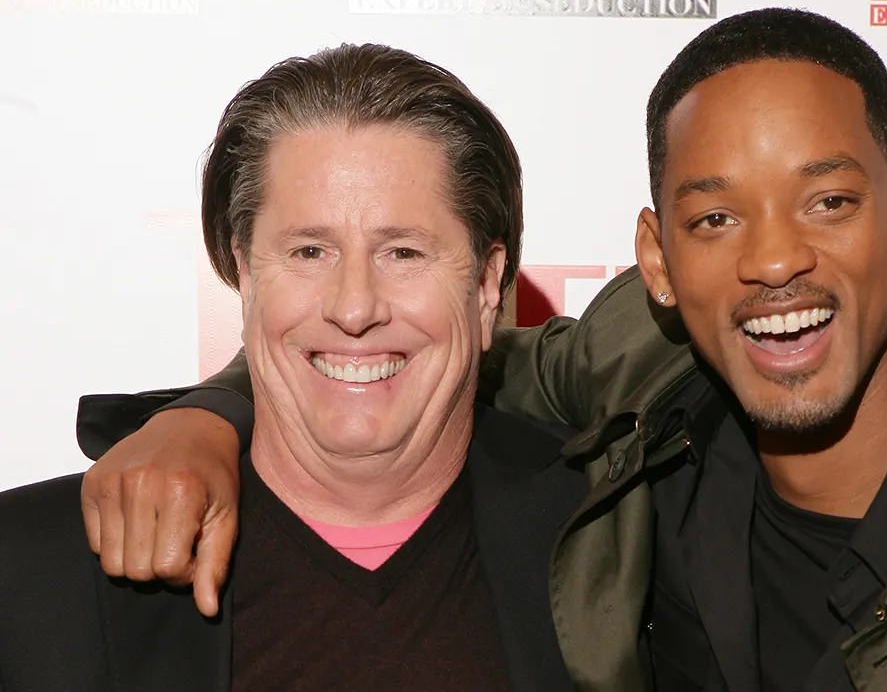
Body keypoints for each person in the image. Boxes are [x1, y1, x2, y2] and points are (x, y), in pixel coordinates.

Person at [72, 9, 887, 691]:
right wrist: (205, 418)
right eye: (713, 220)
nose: (772, 261)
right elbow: (393, 352)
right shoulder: (641, 373)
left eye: (827, 202)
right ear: (656, 259)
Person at [0, 43, 582, 692]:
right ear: (247, 276)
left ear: (486, 286)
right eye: (309, 251)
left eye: (404, 253)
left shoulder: (612, 545)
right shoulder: (28, 572)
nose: (354, 308)